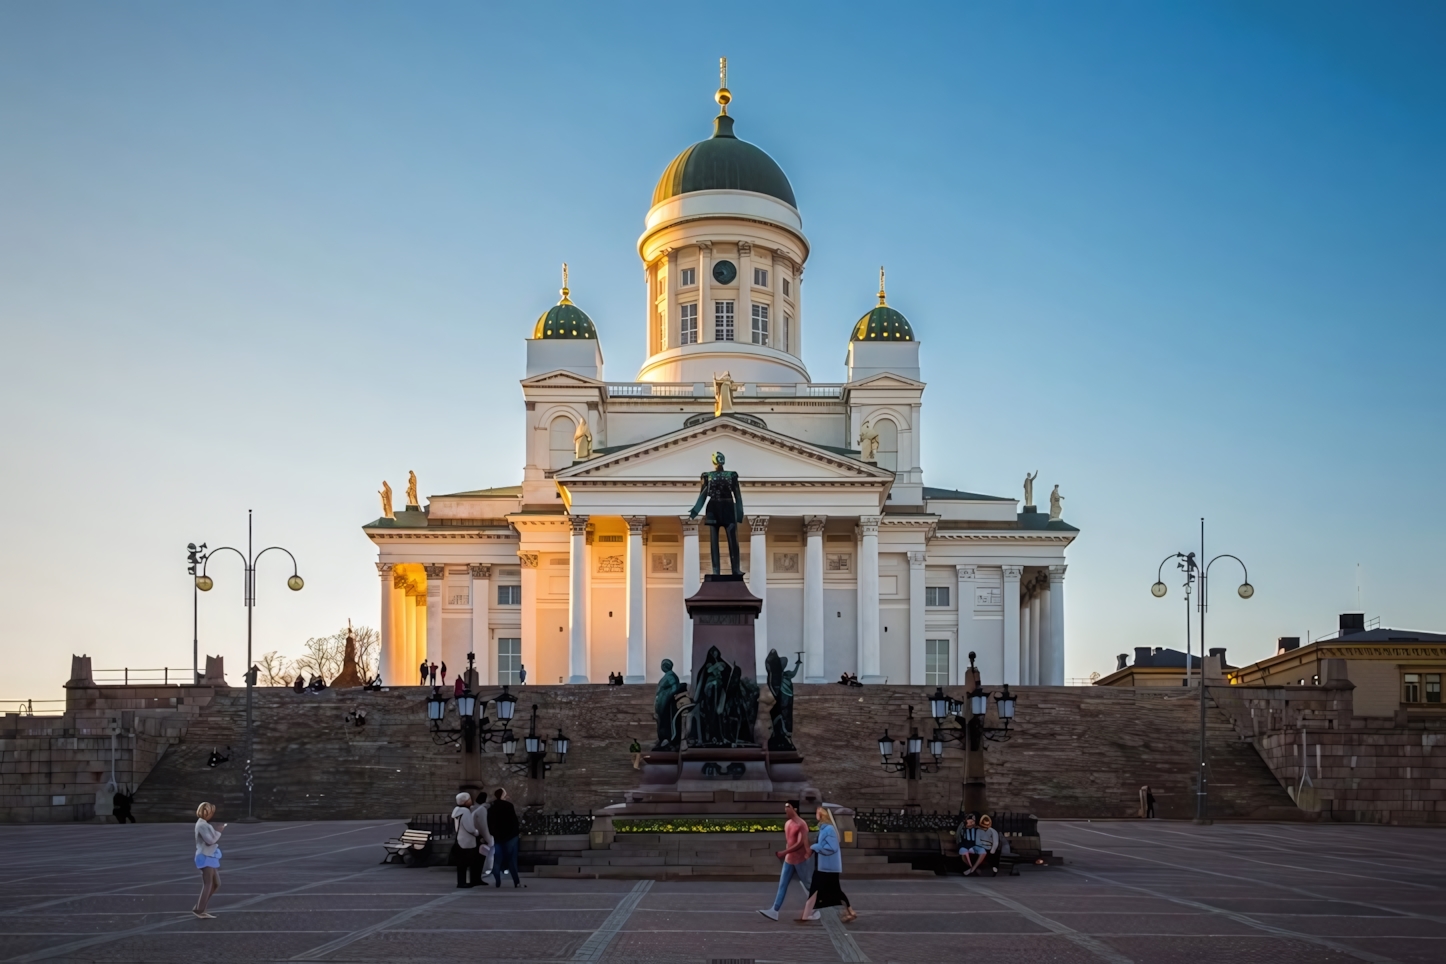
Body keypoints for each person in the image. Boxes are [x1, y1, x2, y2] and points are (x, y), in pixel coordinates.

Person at [798, 807, 854, 924]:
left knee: (832, 891)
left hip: (828, 868)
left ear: (822, 815)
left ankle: (849, 911)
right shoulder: (824, 829)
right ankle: (806, 915)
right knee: (818, 889)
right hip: (823, 866)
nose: (815, 815)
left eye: (817, 813)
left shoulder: (829, 829)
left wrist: (815, 847)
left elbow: (831, 848)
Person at [759, 800, 813, 920]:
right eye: (785, 807)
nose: (785, 809)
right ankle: (775, 910)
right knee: (782, 885)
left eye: (788, 807)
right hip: (789, 860)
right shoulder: (788, 823)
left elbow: (799, 844)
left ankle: (816, 908)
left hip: (800, 860)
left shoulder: (802, 825)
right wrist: (786, 853)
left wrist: (784, 852)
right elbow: (789, 842)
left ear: (795, 809)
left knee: (809, 885)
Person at [193, 802, 225, 918]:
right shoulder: (202, 825)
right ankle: (200, 910)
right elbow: (210, 840)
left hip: (210, 856)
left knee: (216, 884)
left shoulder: (205, 824)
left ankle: (199, 907)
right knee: (209, 884)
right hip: (205, 856)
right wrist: (219, 831)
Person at [489, 787, 523, 888]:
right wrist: (516, 833)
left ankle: (497, 881)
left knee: (497, 859)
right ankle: (516, 882)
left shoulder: (491, 807)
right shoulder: (509, 806)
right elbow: (514, 821)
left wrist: (493, 834)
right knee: (512, 860)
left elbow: (490, 823)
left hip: (498, 837)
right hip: (510, 836)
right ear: (503, 795)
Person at [452, 793, 479, 888]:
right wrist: (476, 832)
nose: (471, 801)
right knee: (469, 862)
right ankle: (467, 882)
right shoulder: (465, 812)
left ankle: (461, 881)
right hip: (467, 841)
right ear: (465, 801)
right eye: (469, 799)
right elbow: (470, 828)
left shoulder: (456, 811)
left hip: (460, 839)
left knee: (461, 864)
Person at [471, 790, 495, 881]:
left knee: (475, 858)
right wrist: (488, 839)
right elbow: (483, 826)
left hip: (473, 836)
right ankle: (478, 877)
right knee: (481, 858)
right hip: (481, 837)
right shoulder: (482, 810)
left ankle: (475, 877)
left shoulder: (472, 809)